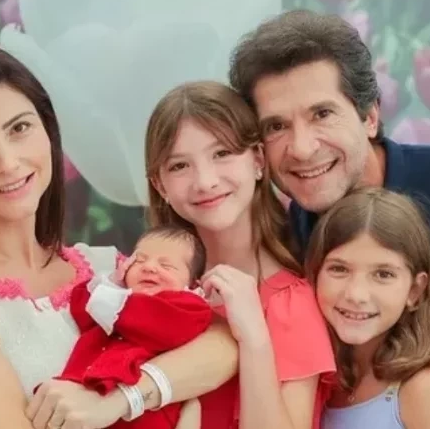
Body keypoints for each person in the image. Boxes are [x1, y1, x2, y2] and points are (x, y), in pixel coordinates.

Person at [0, 43, 239, 429]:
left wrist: (122, 399)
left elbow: (221, 345)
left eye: (19, 128)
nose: (7, 162)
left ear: (48, 130)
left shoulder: (105, 268)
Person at [228, 9, 430, 429]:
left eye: (322, 114)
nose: (301, 148)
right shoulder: (290, 240)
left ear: (370, 116)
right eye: (276, 126)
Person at [144, 80, 336, 429]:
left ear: (258, 160)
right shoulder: (145, 282)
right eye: (179, 166)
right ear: (160, 185)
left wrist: (254, 339)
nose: (205, 181)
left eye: (222, 154)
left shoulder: (290, 303)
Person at [306, 187, 430, 429]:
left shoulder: (425, 387)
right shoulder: (315, 379)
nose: (356, 294)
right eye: (339, 269)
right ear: (315, 274)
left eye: (383, 274)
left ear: (415, 291)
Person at [55, 225, 213, 429]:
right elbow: (81, 309)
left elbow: (159, 326)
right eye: (139, 260)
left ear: (192, 285)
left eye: (166, 266)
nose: (149, 267)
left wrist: (114, 300)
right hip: (84, 402)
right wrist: (112, 283)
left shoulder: (190, 308)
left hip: (146, 414)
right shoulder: (117, 298)